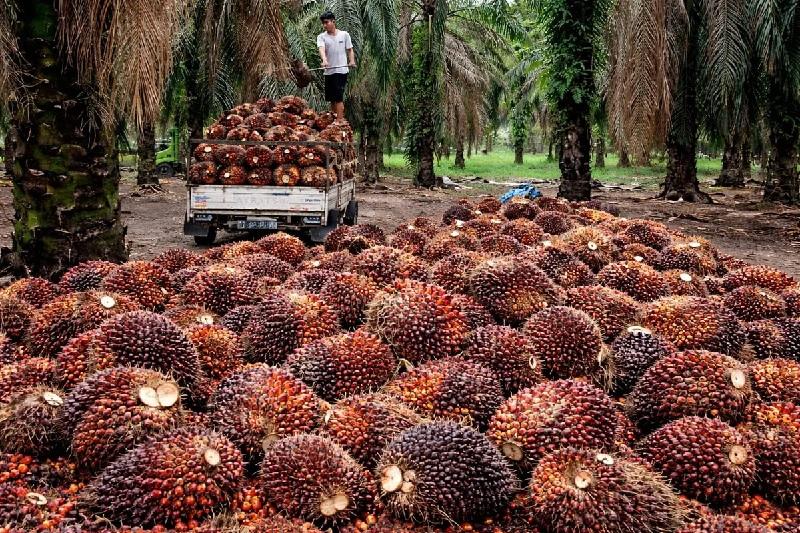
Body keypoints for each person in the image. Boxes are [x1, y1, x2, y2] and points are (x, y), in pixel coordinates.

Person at [317, 11, 355, 119]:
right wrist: (324, 60)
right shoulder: (321, 37)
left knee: (338, 98)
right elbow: (321, 49)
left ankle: (340, 122)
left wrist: (352, 61)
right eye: (323, 23)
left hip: (341, 71)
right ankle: (334, 120)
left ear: (333, 21)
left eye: (326, 22)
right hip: (329, 71)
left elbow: (350, 49)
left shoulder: (344, 35)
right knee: (331, 99)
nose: (324, 25)